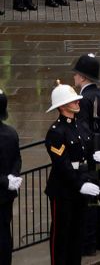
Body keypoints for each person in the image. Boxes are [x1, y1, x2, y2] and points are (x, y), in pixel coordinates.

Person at [45, 82, 97, 265]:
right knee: (62, 235)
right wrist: (80, 184)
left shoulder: (81, 126)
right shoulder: (56, 132)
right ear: (62, 106)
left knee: (77, 234)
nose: (77, 102)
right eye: (72, 101)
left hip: (80, 187)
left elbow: (87, 155)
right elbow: (63, 165)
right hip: (64, 190)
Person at [71, 53, 100, 255]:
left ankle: (89, 245)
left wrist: (97, 149)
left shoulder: (83, 100)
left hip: (90, 158)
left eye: (76, 75)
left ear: (82, 77)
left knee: (90, 201)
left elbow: (83, 132)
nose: (74, 78)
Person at [0, 90, 17, 265]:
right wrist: (13, 176)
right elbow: (17, 159)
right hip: (7, 193)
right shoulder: (11, 133)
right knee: (5, 230)